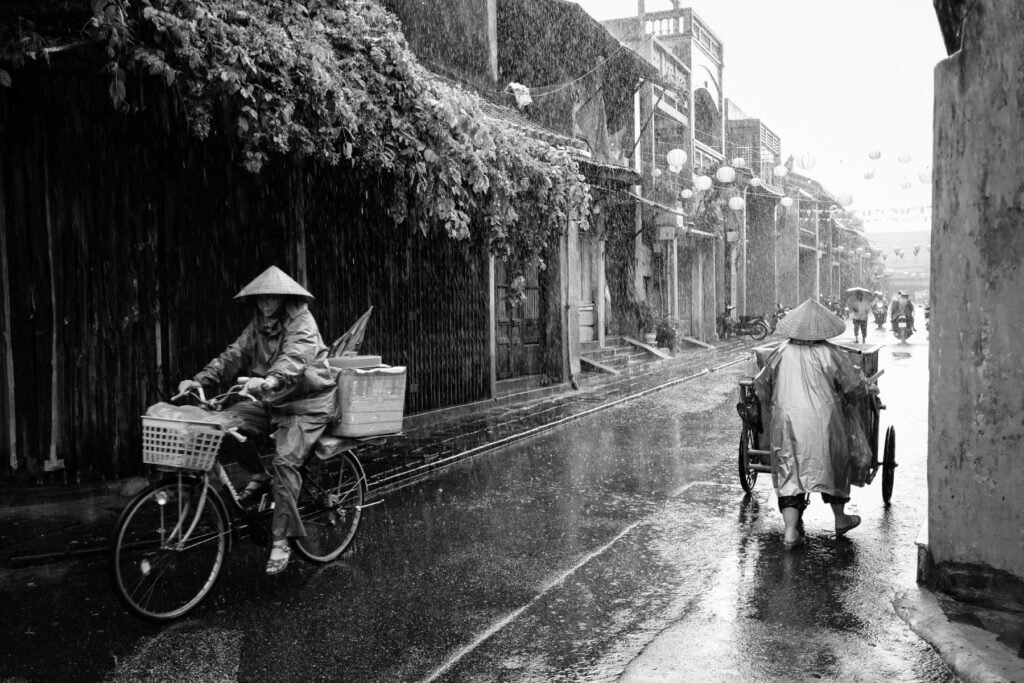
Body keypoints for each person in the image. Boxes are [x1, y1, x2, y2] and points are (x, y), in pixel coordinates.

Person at [176, 266, 337, 575]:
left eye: (270, 297)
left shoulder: (302, 321)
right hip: (273, 401)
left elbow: (296, 357)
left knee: (286, 462)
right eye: (260, 297)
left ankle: (281, 542)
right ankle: (259, 474)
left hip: (307, 404)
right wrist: (199, 380)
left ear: (282, 296)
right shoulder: (259, 324)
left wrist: (271, 380)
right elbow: (232, 355)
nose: (264, 303)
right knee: (221, 425)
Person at [753, 298, 870, 549]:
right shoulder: (831, 353)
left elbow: (761, 385)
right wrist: (861, 390)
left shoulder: (781, 352)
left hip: (786, 424)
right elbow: (854, 386)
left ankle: (790, 531)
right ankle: (840, 518)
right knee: (831, 465)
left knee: (789, 471)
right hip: (825, 424)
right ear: (822, 330)